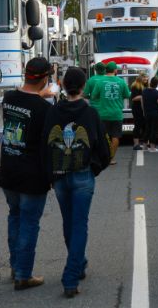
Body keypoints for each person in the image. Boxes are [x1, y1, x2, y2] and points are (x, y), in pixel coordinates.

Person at [42, 67, 110, 298]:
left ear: (62, 85)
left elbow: (45, 143)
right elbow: (102, 145)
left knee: (69, 222)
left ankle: (78, 264)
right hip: (83, 172)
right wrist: (96, 167)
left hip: (60, 173)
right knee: (79, 223)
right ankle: (70, 277)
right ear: (83, 87)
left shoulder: (53, 112)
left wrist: (50, 174)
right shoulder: (90, 113)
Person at [0, 56, 53, 290]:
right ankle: (24, 274)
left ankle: (15, 266)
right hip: (32, 174)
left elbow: (25, 102)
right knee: (30, 223)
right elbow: (47, 142)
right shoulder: (44, 109)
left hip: (8, 169)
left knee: (15, 217)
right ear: (44, 79)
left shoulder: (9, 98)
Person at [84, 61, 130, 164]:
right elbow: (127, 95)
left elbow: (94, 96)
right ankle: (111, 158)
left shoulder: (100, 82)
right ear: (115, 70)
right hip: (116, 114)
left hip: (102, 114)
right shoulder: (121, 81)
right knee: (115, 136)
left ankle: (102, 157)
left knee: (103, 136)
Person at [141, 78, 158, 152]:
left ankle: (144, 146)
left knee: (147, 129)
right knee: (154, 130)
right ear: (157, 84)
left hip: (147, 113)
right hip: (156, 114)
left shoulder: (144, 91)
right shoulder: (157, 93)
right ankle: (152, 147)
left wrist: (144, 111)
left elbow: (142, 102)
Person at [129, 75, 147, 151]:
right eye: (145, 78)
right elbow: (134, 98)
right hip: (137, 109)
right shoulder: (135, 86)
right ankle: (136, 144)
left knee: (145, 126)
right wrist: (143, 96)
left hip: (144, 109)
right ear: (140, 78)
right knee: (138, 125)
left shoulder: (144, 86)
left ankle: (145, 144)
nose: (146, 79)